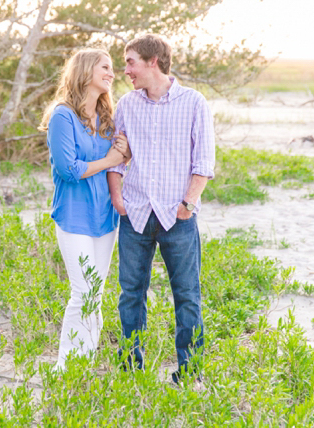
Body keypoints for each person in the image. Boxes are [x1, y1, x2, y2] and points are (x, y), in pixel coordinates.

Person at [107, 34, 215, 385]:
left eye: (131, 62)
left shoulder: (194, 103)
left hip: (177, 216)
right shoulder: (127, 105)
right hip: (135, 214)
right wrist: (118, 198)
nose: (126, 71)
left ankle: (189, 373)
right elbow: (117, 158)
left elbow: (204, 162)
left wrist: (188, 204)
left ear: (153, 61)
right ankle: (130, 372)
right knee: (130, 295)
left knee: (187, 296)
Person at [39, 48, 129, 371]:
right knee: (83, 291)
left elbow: (121, 159)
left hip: (105, 218)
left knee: (97, 294)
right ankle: (66, 367)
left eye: (113, 68)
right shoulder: (62, 116)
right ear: (86, 70)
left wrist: (124, 152)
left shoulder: (107, 117)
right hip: (74, 217)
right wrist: (109, 160)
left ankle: (85, 362)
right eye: (105, 67)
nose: (112, 73)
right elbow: (69, 169)